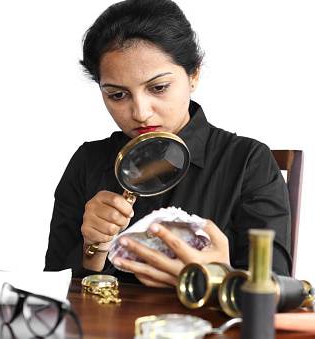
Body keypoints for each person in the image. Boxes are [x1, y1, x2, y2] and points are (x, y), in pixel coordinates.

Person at [44, 0, 292, 287]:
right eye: (117, 95)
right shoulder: (89, 161)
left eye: (158, 88)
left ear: (194, 74)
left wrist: (219, 278)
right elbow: (50, 290)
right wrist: (93, 251)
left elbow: (276, 289)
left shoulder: (249, 161)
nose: (140, 112)